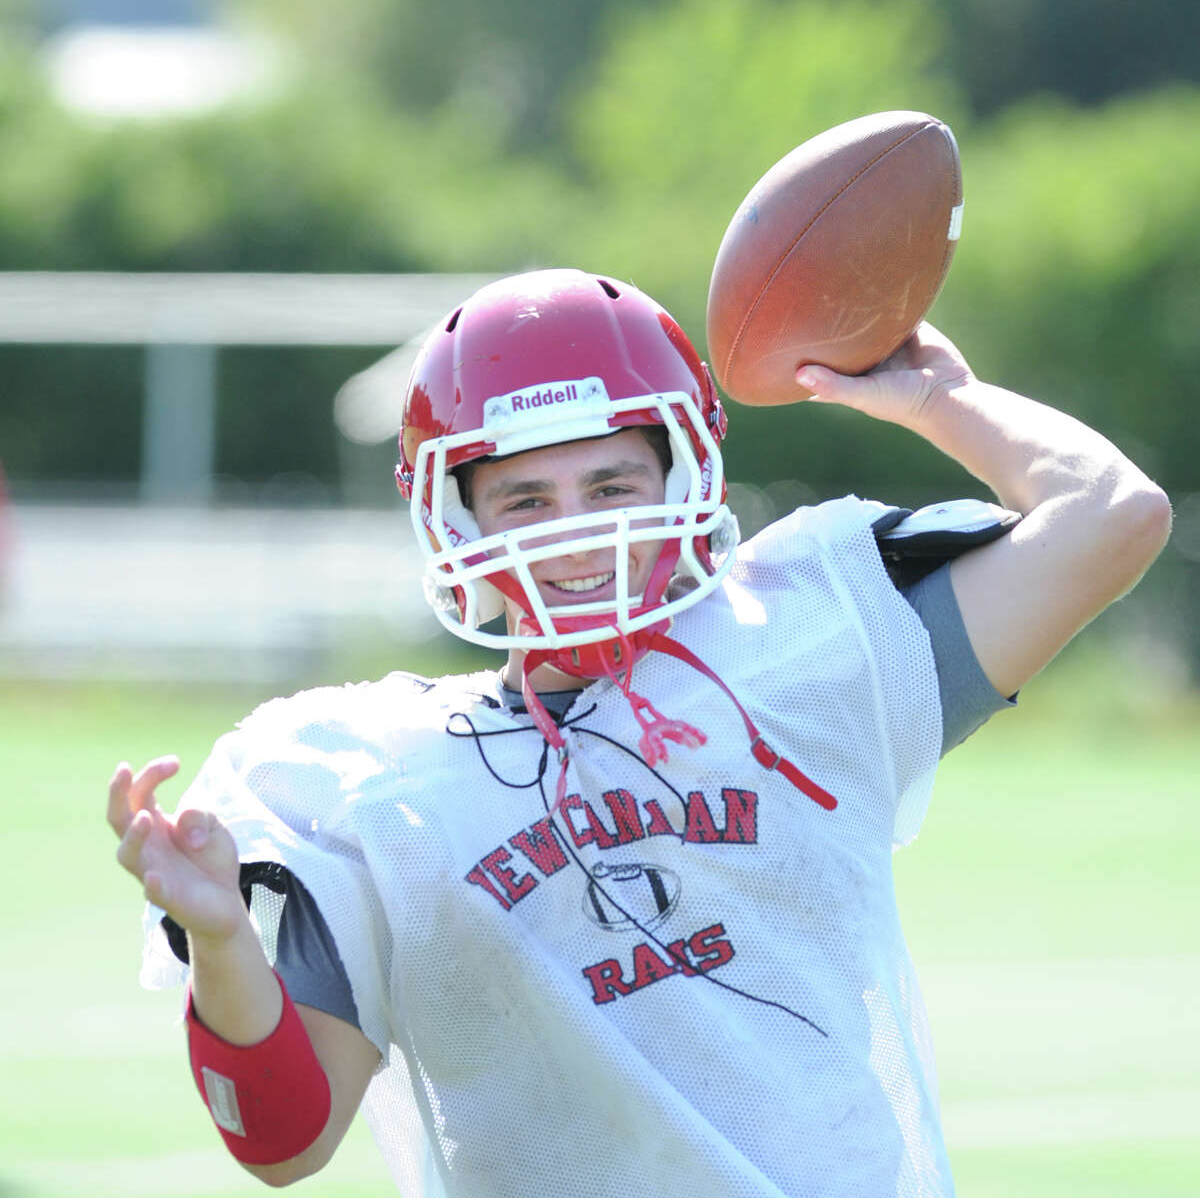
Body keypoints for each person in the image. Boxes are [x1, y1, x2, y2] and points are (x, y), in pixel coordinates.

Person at [108, 269, 1170, 1197]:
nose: (578, 531)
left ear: (684, 473)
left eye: (612, 484)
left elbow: (1114, 515)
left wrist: (943, 398)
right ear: (456, 519)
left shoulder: (808, 645)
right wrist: (219, 939)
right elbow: (285, 1140)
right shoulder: (366, 781)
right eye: (527, 499)